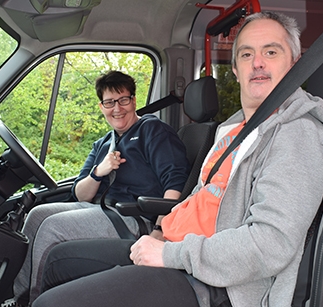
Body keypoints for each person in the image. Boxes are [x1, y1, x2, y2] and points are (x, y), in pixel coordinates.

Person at [31, 11, 323, 307]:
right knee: (58, 261)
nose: (257, 63)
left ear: (295, 63)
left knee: (49, 303)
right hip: (182, 250)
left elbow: (270, 244)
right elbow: (197, 199)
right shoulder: (234, 131)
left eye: (271, 52)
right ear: (234, 68)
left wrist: (169, 256)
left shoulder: (298, 134)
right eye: (246, 54)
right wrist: (160, 234)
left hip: (221, 286)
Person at [12, 70, 190, 306]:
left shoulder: (153, 130)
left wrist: (160, 230)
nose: (117, 108)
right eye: (109, 102)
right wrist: (99, 171)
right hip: (103, 208)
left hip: (133, 216)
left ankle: (33, 302)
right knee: (36, 216)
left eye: (123, 100)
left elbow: (174, 182)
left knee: (52, 228)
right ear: (101, 106)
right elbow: (80, 194)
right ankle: (19, 298)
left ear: (134, 101)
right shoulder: (104, 143)